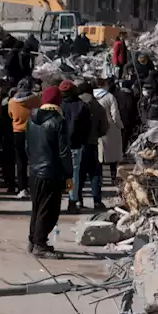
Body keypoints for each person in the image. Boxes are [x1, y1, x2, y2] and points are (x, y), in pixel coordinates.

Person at [26, 87, 71, 258]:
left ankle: (33, 240)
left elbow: (27, 147)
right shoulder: (59, 121)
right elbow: (64, 152)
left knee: (37, 207)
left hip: (35, 171)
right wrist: (68, 174)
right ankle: (40, 244)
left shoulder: (31, 120)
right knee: (49, 210)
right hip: (51, 172)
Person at [59, 80, 93, 214]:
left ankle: (55, 201)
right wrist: (83, 142)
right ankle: (72, 200)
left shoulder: (58, 106)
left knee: (58, 174)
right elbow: (86, 127)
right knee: (73, 176)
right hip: (75, 146)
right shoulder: (82, 106)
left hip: (59, 146)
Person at [7, 80, 39, 197]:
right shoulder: (36, 99)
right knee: (34, 161)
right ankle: (34, 186)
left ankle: (22, 188)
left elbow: (11, 115)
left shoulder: (11, 102)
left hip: (18, 132)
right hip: (33, 131)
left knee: (20, 162)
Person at [94, 79, 124, 186]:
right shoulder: (110, 97)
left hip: (95, 129)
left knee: (99, 155)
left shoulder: (92, 97)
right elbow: (115, 114)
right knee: (113, 154)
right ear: (104, 85)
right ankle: (113, 177)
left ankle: (100, 179)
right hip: (110, 128)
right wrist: (119, 126)